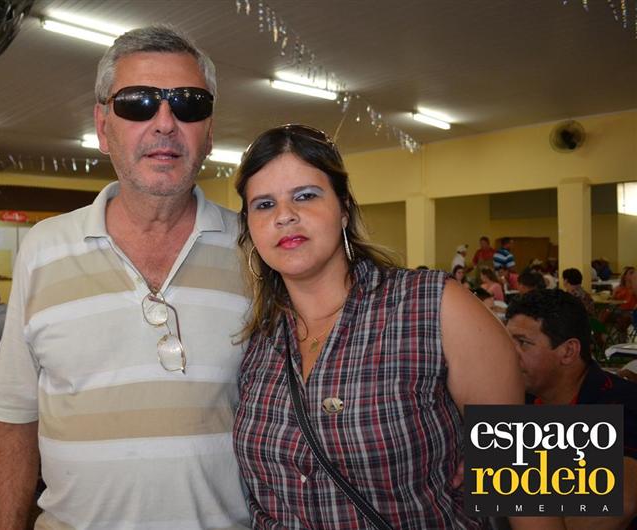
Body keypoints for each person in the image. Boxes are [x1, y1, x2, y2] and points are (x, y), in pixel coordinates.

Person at [0, 26, 250, 529]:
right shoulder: (43, 249)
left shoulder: (254, 252)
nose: (165, 122)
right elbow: (14, 417)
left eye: (188, 104)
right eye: (137, 102)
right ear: (103, 128)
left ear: (209, 132)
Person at [232, 124, 557, 529]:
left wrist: (490, 460)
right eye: (264, 204)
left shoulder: (436, 305)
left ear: (344, 208)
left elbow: (535, 494)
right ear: (249, 226)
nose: (285, 216)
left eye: (306, 195)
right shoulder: (256, 339)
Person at [506, 289, 637, 530]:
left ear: (568, 351)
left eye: (523, 343)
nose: (507, 354)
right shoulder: (517, 398)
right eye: (507, 342)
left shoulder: (621, 405)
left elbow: (620, 500)